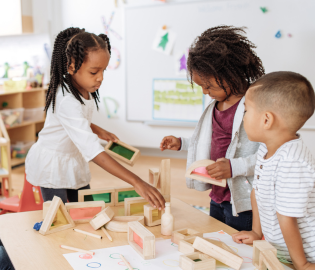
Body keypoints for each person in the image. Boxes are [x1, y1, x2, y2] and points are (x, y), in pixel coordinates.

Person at [25, 27, 165, 209]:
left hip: (72, 159)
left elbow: (76, 121)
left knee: (85, 209)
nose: (100, 78)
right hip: (54, 164)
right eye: (94, 72)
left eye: (103, 71)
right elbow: (92, 150)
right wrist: (136, 181)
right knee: (57, 217)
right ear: (71, 66)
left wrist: (96, 129)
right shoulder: (66, 98)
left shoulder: (82, 89)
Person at [160, 26, 265, 231]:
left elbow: (267, 157)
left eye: (209, 87)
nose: (205, 92)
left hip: (242, 201)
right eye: (201, 87)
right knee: (218, 238)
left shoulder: (253, 107)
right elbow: (208, 143)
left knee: (240, 245)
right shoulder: (214, 107)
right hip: (217, 195)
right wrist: (182, 143)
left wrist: (234, 167)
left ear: (230, 74)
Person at [232, 71, 315, 268]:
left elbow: (287, 218)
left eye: (246, 111)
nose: (243, 118)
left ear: (267, 120)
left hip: (306, 254)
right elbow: (258, 193)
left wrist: (301, 264)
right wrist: (255, 233)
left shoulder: (292, 161)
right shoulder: (266, 148)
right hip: (280, 249)